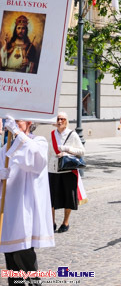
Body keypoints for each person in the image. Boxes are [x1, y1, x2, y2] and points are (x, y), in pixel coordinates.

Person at [0, 117, 54, 286]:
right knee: (11, 257)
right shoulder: (5, 148)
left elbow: (36, 161)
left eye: (18, 121)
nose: (14, 123)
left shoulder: (39, 142)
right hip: (9, 208)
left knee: (24, 251)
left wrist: (16, 132)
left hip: (26, 207)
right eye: (12, 121)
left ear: (30, 123)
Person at [47, 112, 86, 233]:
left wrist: (67, 150)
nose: (59, 121)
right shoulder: (52, 134)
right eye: (58, 119)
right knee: (51, 198)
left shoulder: (72, 134)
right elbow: (48, 152)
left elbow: (82, 151)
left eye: (62, 119)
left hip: (67, 170)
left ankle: (66, 222)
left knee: (68, 197)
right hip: (53, 169)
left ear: (66, 121)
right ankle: (51, 222)